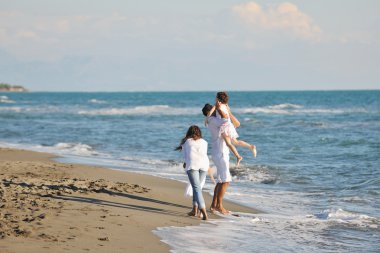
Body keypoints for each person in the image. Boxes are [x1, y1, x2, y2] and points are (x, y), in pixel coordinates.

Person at [202, 102, 240, 214]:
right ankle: (219, 205)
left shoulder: (210, 121)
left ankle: (214, 205)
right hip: (221, 153)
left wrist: (218, 108)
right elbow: (228, 120)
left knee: (220, 180)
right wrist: (221, 108)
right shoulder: (214, 121)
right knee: (226, 181)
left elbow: (231, 123)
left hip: (218, 152)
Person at [205, 91, 257, 167]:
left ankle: (238, 156)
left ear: (218, 99)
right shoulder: (226, 106)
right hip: (229, 125)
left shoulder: (216, 106)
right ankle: (251, 146)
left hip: (224, 126)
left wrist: (206, 119)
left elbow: (210, 113)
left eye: (216, 97)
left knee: (228, 143)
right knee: (235, 142)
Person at [175, 125, 209, 220]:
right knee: (197, 188)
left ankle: (204, 213)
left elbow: (186, 156)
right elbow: (204, 154)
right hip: (204, 165)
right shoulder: (205, 142)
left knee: (196, 188)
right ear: (199, 133)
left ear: (189, 133)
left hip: (193, 165)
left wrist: (185, 164)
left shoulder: (186, 142)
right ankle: (195, 210)